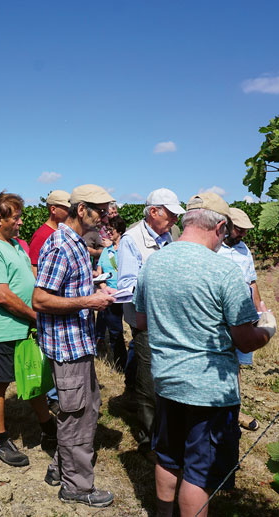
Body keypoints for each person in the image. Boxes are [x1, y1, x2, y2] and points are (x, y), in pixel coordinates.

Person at [135, 192, 277, 517]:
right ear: (220, 227)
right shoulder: (224, 272)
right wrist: (269, 327)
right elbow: (244, 340)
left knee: (168, 458)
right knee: (198, 474)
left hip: (167, 383)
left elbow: (141, 321)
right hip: (209, 394)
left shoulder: (153, 263)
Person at [32, 184, 117, 508]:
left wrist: (96, 291)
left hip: (78, 344)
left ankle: (59, 468)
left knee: (88, 408)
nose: (106, 215)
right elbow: (39, 299)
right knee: (76, 417)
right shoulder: (61, 246)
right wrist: (88, 301)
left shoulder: (77, 244)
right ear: (81, 209)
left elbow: (66, 288)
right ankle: (77, 487)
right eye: (101, 209)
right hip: (67, 349)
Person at [0, 192, 58, 469]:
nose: (21, 223)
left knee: (31, 376)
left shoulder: (14, 244)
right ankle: (0, 440)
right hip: (5, 328)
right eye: (16, 218)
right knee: (0, 385)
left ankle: (48, 426)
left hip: (24, 325)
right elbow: (3, 295)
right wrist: (35, 315)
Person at [116, 188, 184, 454]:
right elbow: (127, 285)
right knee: (147, 376)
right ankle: (148, 437)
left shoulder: (170, 236)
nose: (174, 220)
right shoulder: (131, 239)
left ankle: (166, 427)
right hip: (144, 319)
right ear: (153, 211)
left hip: (169, 317)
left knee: (166, 373)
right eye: (170, 213)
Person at [217, 207, 263, 431]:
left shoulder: (244, 249)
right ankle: (216, 409)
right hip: (220, 316)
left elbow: (252, 283)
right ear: (226, 226)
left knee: (237, 364)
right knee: (218, 360)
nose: (243, 234)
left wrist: (260, 312)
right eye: (240, 230)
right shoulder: (213, 251)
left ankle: (234, 409)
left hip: (242, 316)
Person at [96, 215, 127, 370]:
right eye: (107, 230)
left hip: (127, 294)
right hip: (111, 295)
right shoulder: (105, 251)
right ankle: (120, 363)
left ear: (119, 230)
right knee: (115, 331)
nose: (108, 233)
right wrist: (103, 286)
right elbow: (99, 272)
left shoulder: (126, 249)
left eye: (111, 230)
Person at [29, 190, 70, 276]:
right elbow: (33, 267)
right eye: (67, 209)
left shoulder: (64, 231)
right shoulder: (41, 235)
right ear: (53, 209)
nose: (70, 213)